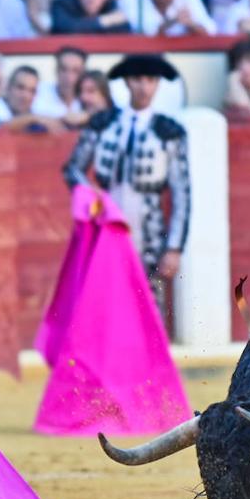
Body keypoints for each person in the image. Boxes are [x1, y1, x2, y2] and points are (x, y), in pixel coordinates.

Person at [63, 53, 189, 311]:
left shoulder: (169, 131)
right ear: (127, 83)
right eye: (137, 80)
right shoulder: (102, 123)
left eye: (150, 80)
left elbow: (181, 194)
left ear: (157, 85)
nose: (144, 87)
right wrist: (90, 193)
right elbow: (73, 168)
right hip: (106, 224)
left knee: (149, 306)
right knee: (101, 304)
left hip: (149, 230)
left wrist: (174, 247)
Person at [33, 45, 85, 120]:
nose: (68, 77)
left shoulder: (89, 98)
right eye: (63, 69)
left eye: (75, 71)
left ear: (83, 73)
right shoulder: (38, 92)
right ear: (56, 70)